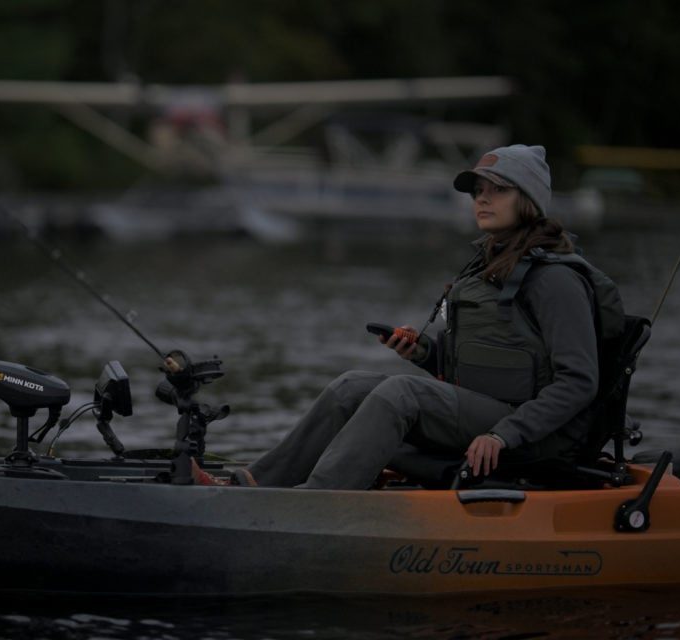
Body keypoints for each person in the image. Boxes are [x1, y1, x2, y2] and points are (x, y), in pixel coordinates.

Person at [199, 144, 624, 489]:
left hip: (536, 437)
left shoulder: (556, 281)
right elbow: (486, 370)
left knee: (401, 394)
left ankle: (315, 502)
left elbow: (578, 382)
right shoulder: (491, 264)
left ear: (528, 201)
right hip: (492, 415)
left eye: (497, 189)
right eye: (478, 189)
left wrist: (504, 434)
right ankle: (254, 484)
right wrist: (424, 354)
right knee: (350, 387)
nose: (481, 197)